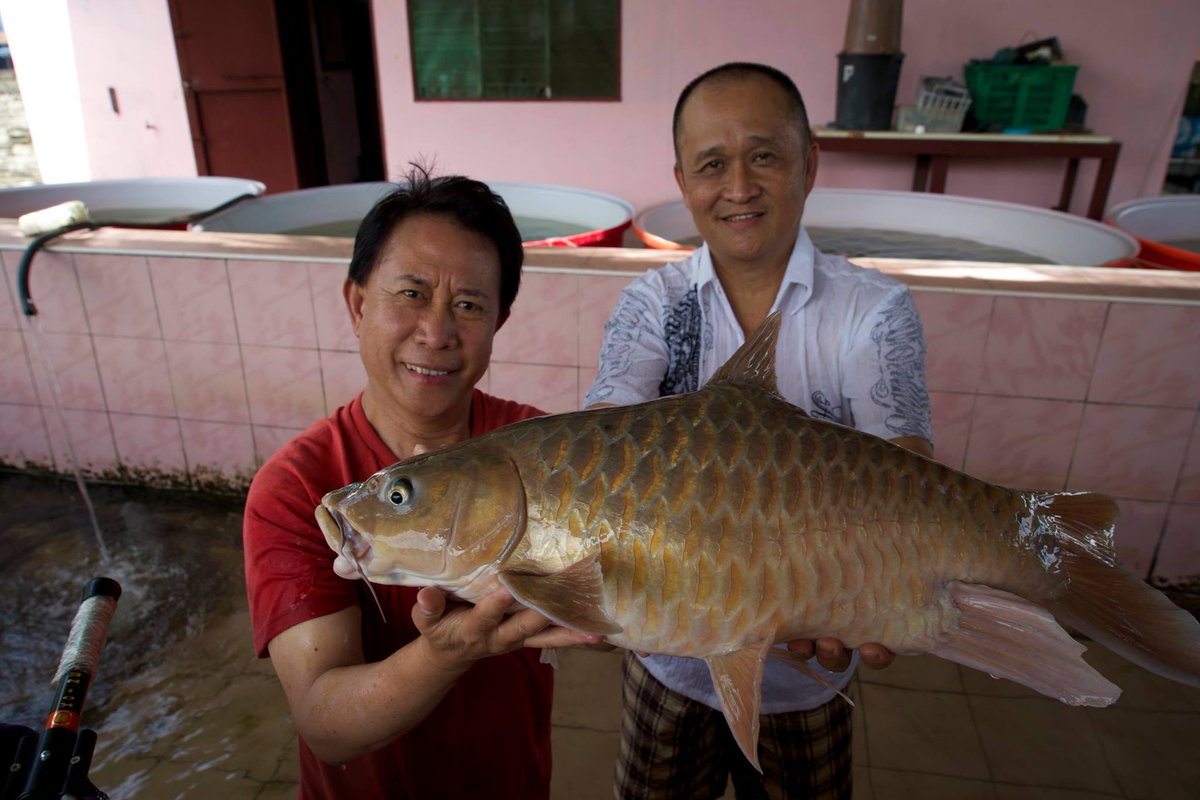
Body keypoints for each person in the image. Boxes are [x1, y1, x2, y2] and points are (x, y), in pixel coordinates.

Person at [585, 63, 935, 798]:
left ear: (810, 162)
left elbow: (906, 467)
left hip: (808, 662)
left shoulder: (874, 310)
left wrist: (894, 582)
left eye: (764, 156)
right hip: (668, 659)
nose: (738, 187)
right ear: (683, 181)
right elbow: (598, 452)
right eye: (713, 164)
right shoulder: (654, 305)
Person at [242, 167, 600, 800]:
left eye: (468, 304)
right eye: (410, 294)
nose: (436, 333)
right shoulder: (297, 490)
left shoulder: (547, 452)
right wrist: (446, 651)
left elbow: (622, 596)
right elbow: (324, 722)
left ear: (498, 321)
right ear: (358, 304)